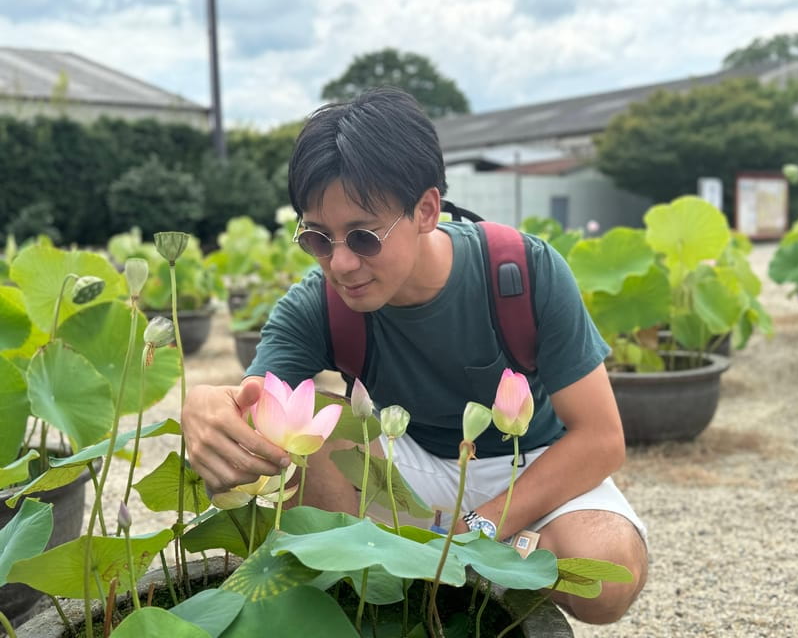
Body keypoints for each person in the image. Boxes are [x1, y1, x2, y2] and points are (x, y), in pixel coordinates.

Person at [181, 87, 647, 624]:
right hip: (411, 466)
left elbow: (602, 438)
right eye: (316, 238)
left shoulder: (522, 272)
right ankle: (416, 578)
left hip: (533, 461)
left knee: (605, 575)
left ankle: (467, 566)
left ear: (426, 209)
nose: (341, 264)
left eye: (363, 236)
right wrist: (205, 407)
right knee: (309, 431)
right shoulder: (317, 304)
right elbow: (254, 403)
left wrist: (478, 528)